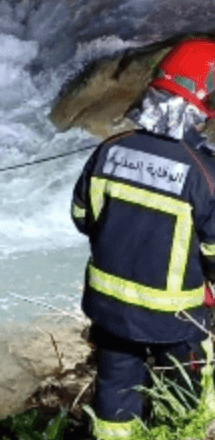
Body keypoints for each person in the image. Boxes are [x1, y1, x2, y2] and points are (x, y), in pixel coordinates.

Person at [70, 38, 215, 440]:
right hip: (175, 317)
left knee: (115, 396)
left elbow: (82, 217)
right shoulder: (204, 173)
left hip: (109, 308)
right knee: (185, 398)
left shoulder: (109, 149)